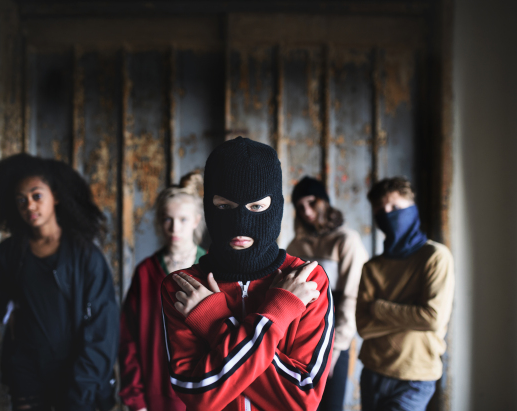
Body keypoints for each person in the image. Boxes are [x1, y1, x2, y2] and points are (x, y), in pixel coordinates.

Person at [160, 137, 334, 411]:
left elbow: (302, 397)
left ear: (275, 206)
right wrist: (279, 313)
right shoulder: (183, 287)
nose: (240, 223)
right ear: (208, 206)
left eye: (256, 207)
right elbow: (199, 394)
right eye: (224, 206)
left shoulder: (307, 280)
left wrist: (216, 323)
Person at [0, 153, 119, 411]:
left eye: (37, 196)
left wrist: (82, 389)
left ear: (56, 197)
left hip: (77, 377)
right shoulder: (12, 251)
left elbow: (102, 330)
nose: (29, 206)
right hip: (27, 371)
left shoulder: (86, 256)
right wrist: (7, 310)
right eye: (21, 200)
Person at [356, 177, 455, 411]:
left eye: (395, 208)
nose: (387, 214)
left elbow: (432, 318)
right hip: (373, 372)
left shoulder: (435, 257)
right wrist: (412, 311)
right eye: (380, 210)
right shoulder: (372, 267)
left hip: (416, 376)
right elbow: (363, 326)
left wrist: (378, 307)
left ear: (412, 209)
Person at [119, 172, 206, 411]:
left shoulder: (213, 268)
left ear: (197, 220)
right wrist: (135, 399)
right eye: (167, 219)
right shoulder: (146, 272)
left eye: (183, 219)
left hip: (207, 394)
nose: (174, 227)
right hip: (155, 394)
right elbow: (128, 339)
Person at [287, 176, 368, 411]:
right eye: (300, 207)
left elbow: (353, 297)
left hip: (333, 341)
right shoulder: (296, 245)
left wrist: (335, 348)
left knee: (330, 405)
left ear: (324, 202)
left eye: (312, 203)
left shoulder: (346, 240)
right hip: (299, 339)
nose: (307, 211)